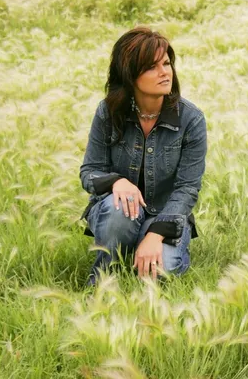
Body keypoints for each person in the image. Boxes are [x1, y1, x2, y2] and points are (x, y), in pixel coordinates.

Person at [79, 27, 207, 286]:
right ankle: (103, 277)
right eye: (152, 67)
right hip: (119, 214)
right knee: (120, 209)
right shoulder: (108, 113)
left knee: (163, 272)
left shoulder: (191, 120)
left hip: (166, 215)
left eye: (167, 63)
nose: (164, 72)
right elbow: (89, 172)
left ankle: (141, 245)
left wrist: (155, 234)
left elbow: (187, 189)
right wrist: (116, 182)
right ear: (130, 74)